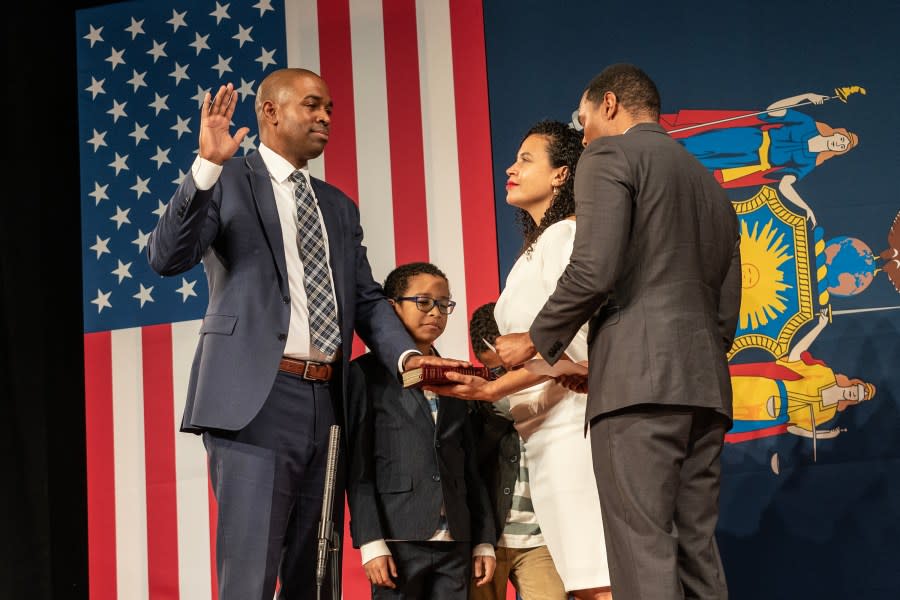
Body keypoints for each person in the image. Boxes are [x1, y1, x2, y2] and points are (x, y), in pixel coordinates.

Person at [147, 68, 457, 600]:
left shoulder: (336, 205)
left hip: (326, 401)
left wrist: (406, 357)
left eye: (330, 109)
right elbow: (166, 256)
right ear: (269, 111)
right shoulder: (226, 180)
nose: (325, 118)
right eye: (312, 105)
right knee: (249, 571)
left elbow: (365, 297)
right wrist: (204, 168)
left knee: (315, 571)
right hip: (255, 400)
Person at [494, 64, 742, 600]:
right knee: (696, 550)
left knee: (641, 549)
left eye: (583, 122)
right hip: (705, 389)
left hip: (636, 391)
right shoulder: (712, 188)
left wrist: (533, 339)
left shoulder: (609, 156)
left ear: (609, 105)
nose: (582, 138)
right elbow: (726, 316)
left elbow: (594, 269)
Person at [432, 121, 612, 599]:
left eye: (526, 159)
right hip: (545, 434)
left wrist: (501, 377)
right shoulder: (538, 247)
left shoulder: (565, 236)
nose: (510, 169)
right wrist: (491, 387)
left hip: (573, 429)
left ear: (560, 175)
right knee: (584, 584)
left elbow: (580, 343)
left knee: (596, 583)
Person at [345, 262, 496, 598]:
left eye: (444, 304)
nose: (436, 312)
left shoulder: (457, 376)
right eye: (424, 301)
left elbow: (470, 467)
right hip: (397, 539)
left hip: (456, 540)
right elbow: (358, 467)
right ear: (391, 307)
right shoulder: (365, 376)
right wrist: (371, 541)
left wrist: (483, 538)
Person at [466, 303, 567, 600]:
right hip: (486, 540)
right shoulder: (477, 404)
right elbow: (469, 465)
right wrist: (496, 406)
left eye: (513, 368)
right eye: (496, 371)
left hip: (542, 539)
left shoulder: (561, 384)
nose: (506, 377)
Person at [677, 92, 859, 226]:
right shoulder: (807, 124)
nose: (839, 144)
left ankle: (669, 169)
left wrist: (805, 208)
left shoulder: (809, 162)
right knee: (701, 144)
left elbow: (785, 185)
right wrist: (806, 96)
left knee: (703, 165)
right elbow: (774, 110)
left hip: (751, 162)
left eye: (843, 147)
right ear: (837, 133)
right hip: (752, 138)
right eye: (842, 139)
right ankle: (662, 146)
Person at [729, 308, 876, 439]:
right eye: (857, 390)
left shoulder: (829, 413)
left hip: (769, 415)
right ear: (852, 384)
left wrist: (823, 435)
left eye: (858, 397)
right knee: (720, 390)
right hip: (766, 389)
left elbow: (795, 428)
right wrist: (820, 326)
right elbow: (796, 356)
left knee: (721, 416)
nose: (854, 394)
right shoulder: (826, 375)